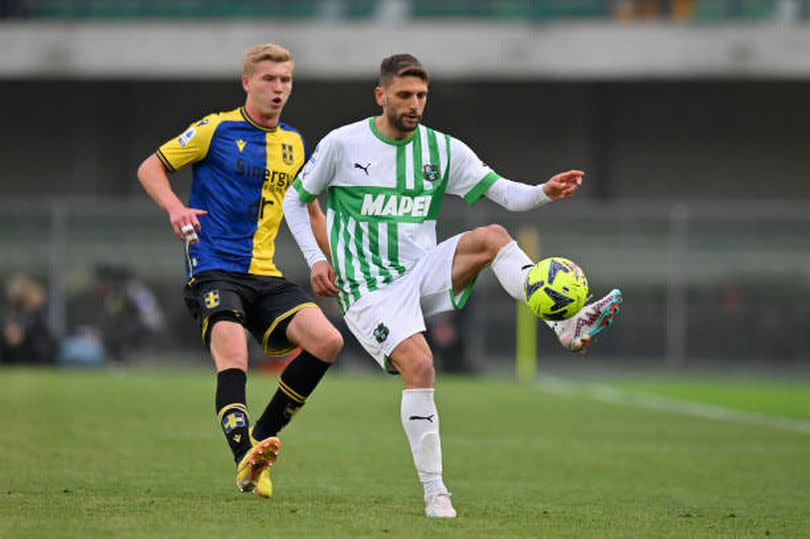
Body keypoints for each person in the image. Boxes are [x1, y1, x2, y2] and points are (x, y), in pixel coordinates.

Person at [282, 53, 622, 518]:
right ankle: (435, 491)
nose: (414, 103)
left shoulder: (441, 150)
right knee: (421, 366)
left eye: (421, 95)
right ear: (381, 96)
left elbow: (504, 193)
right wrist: (317, 259)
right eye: (404, 95)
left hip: (420, 268)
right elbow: (294, 200)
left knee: (494, 238)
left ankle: (561, 324)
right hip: (368, 288)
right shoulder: (343, 144)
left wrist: (545, 191)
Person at [136, 43, 343, 499]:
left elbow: (310, 211)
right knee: (234, 355)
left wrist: (333, 260)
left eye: (286, 80)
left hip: (264, 274)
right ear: (248, 82)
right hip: (213, 268)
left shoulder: (293, 143)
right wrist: (174, 208)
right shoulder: (216, 128)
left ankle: (261, 438)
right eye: (269, 79)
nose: (278, 89)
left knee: (328, 340)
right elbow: (151, 167)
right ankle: (244, 460)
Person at [1, 274, 55, 365]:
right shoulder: (15, 310)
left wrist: (20, 333)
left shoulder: (37, 312)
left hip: (34, 348)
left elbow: (36, 328)